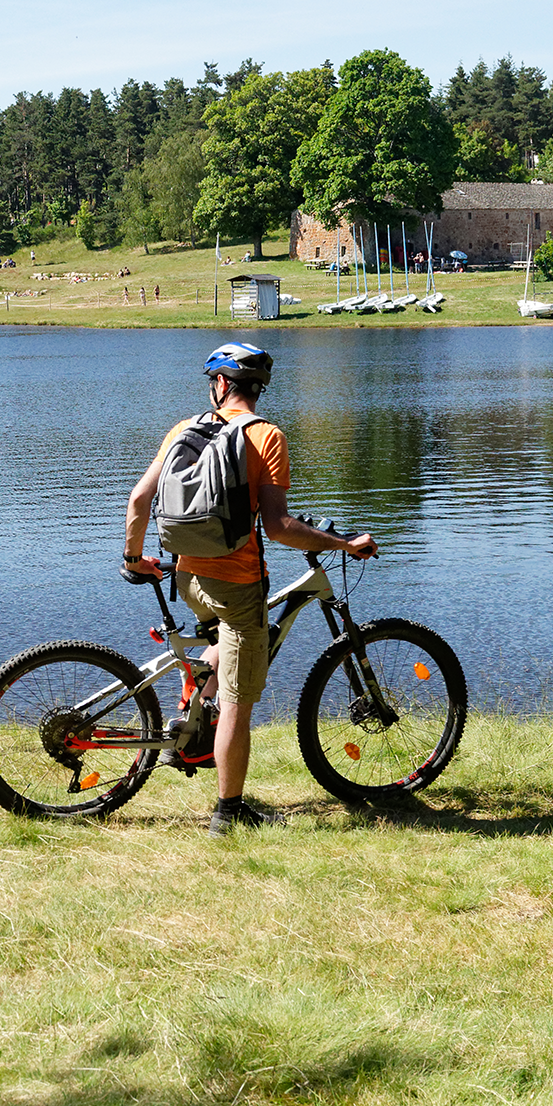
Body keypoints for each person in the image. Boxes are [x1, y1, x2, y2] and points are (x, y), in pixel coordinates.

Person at [122, 343, 377, 835]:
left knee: (220, 648)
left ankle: (190, 718)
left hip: (185, 577)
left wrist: (134, 560)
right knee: (241, 700)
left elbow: (139, 499)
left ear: (219, 385)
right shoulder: (267, 436)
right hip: (237, 585)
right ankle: (228, 810)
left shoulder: (184, 429)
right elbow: (279, 527)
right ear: (257, 389)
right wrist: (343, 542)